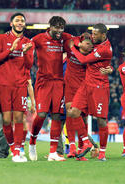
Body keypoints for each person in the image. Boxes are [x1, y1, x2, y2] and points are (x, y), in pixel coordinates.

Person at [28, 16, 72, 162]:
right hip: (44, 82)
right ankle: (32, 142)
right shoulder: (39, 38)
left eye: (62, 28)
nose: (59, 31)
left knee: (57, 116)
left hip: (59, 82)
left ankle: (53, 152)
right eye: (57, 27)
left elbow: (77, 40)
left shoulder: (64, 38)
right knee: (41, 114)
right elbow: (28, 44)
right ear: (50, 26)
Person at [0, 13, 34, 162]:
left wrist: (26, 52)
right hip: (4, 84)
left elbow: (29, 65)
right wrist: (11, 49)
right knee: (7, 121)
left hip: (20, 84)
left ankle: (17, 151)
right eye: (17, 20)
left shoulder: (28, 42)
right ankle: (13, 147)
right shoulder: (1, 38)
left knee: (19, 118)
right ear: (11, 23)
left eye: (22, 21)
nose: (20, 23)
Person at [68, 23, 112, 161]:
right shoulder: (95, 42)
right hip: (86, 85)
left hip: (99, 87)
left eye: (95, 34)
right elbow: (76, 39)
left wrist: (73, 49)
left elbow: (84, 59)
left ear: (103, 35)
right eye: (92, 33)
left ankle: (102, 152)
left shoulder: (105, 49)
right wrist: (78, 43)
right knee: (73, 112)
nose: (92, 36)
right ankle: (86, 141)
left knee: (101, 121)